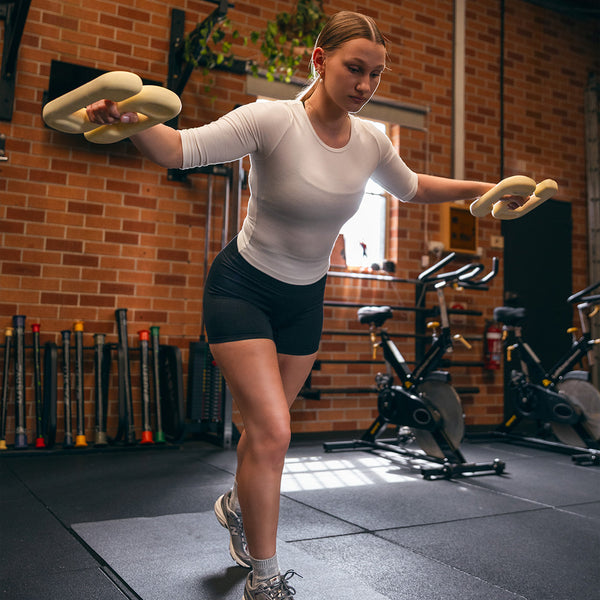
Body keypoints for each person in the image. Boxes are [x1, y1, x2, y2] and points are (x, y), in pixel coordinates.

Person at [86, 10, 526, 599]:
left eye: (376, 74)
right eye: (355, 69)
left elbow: (414, 187)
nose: (366, 86)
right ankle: (266, 580)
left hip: (303, 301)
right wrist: (130, 119)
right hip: (241, 288)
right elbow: (178, 149)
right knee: (273, 432)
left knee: (265, 435)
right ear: (318, 61)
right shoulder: (271, 120)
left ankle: (237, 504)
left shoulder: (372, 140)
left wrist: (482, 191)